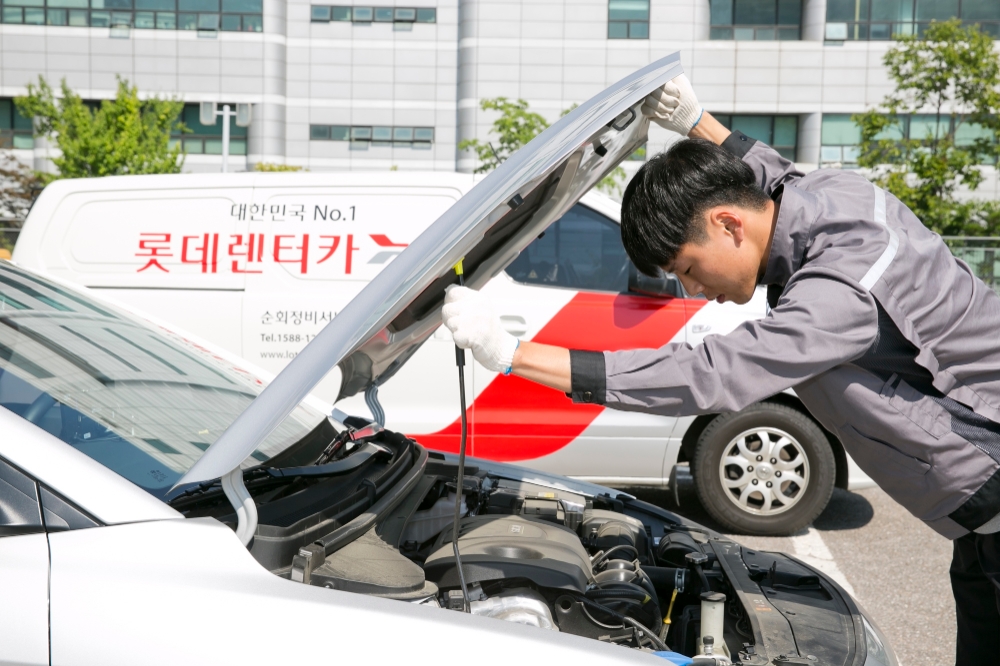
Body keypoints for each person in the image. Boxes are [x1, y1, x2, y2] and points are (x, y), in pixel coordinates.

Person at [442, 74, 1000, 663]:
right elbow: (778, 176)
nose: (695, 290)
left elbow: (710, 373)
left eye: (687, 267)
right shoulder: (837, 196)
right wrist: (697, 123)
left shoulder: (842, 290)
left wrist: (513, 356)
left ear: (729, 224)